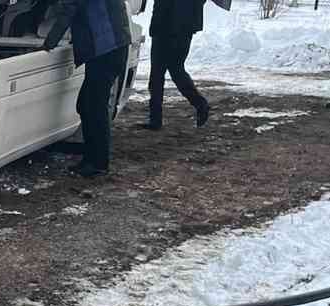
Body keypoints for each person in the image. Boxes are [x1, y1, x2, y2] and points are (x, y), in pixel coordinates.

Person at [42, 0, 133, 177]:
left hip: (106, 50)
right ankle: (91, 155)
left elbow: (69, 10)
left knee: (94, 107)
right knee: (86, 104)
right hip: (112, 46)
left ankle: (98, 163)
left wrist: (48, 43)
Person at [139, 0, 210, 130]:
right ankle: (200, 104)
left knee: (159, 73)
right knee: (176, 70)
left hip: (166, 25)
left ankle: (155, 119)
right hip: (184, 26)